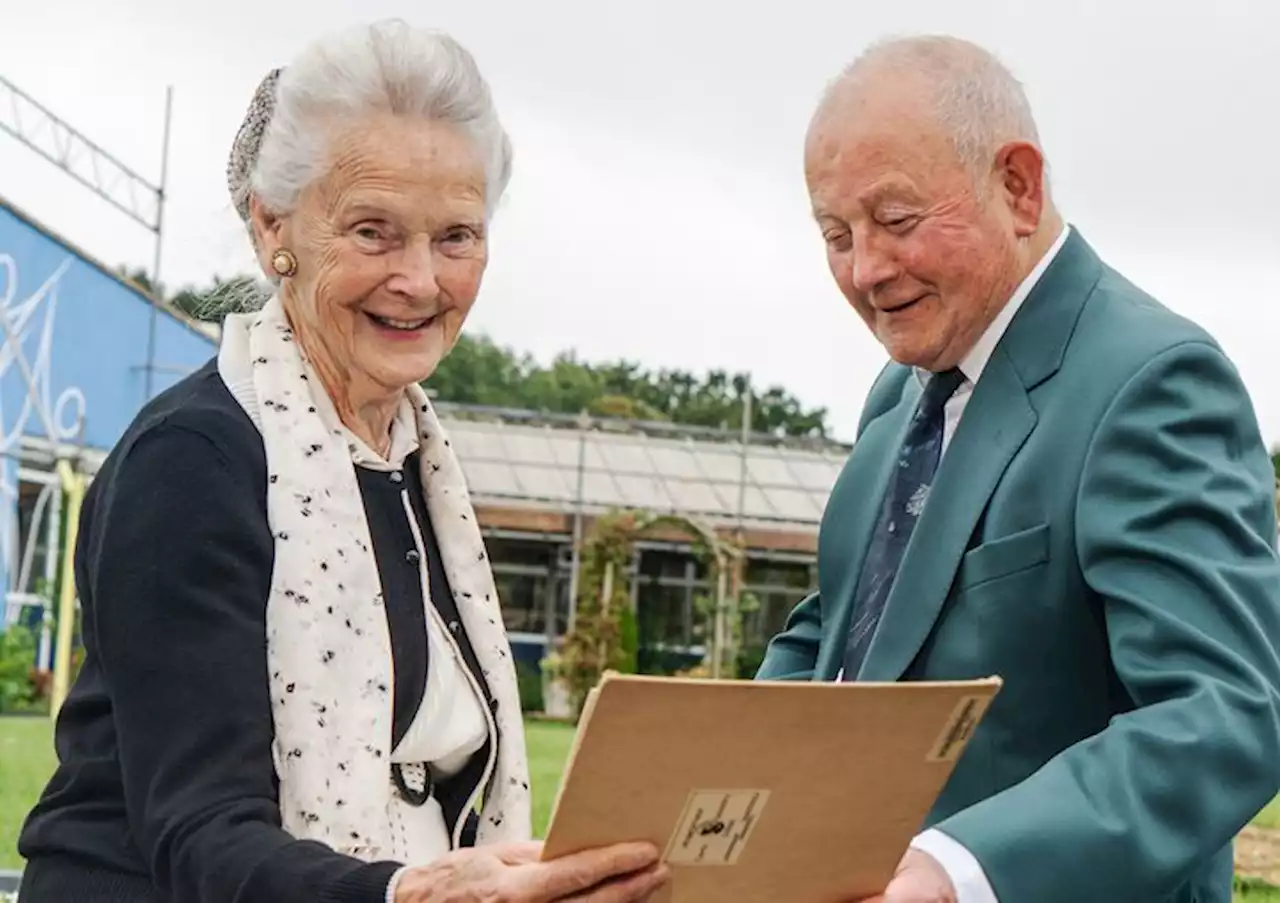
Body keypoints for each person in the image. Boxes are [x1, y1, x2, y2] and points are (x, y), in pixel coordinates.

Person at [17, 19, 668, 903]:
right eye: (373, 231)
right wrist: (413, 894)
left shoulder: (417, 466)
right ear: (271, 227)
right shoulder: (191, 462)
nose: (420, 280)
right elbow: (200, 832)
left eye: (456, 237)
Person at [757, 34, 1280, 903]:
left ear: (1019, 187)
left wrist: (958, 870)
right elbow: (839, 637)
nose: (865, 269)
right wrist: (676, 784)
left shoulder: (1151, 380)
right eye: (835, 234)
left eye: (896, 220)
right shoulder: (900, 398)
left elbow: (1224, 712)